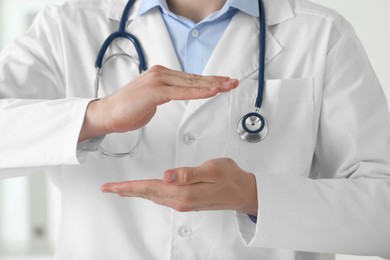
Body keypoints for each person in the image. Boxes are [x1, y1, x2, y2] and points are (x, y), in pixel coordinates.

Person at [0, 0, 389, 259]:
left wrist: (255, 196)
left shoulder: (320, 34)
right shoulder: (67, 23)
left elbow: (382, 210)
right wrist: (97, 116)